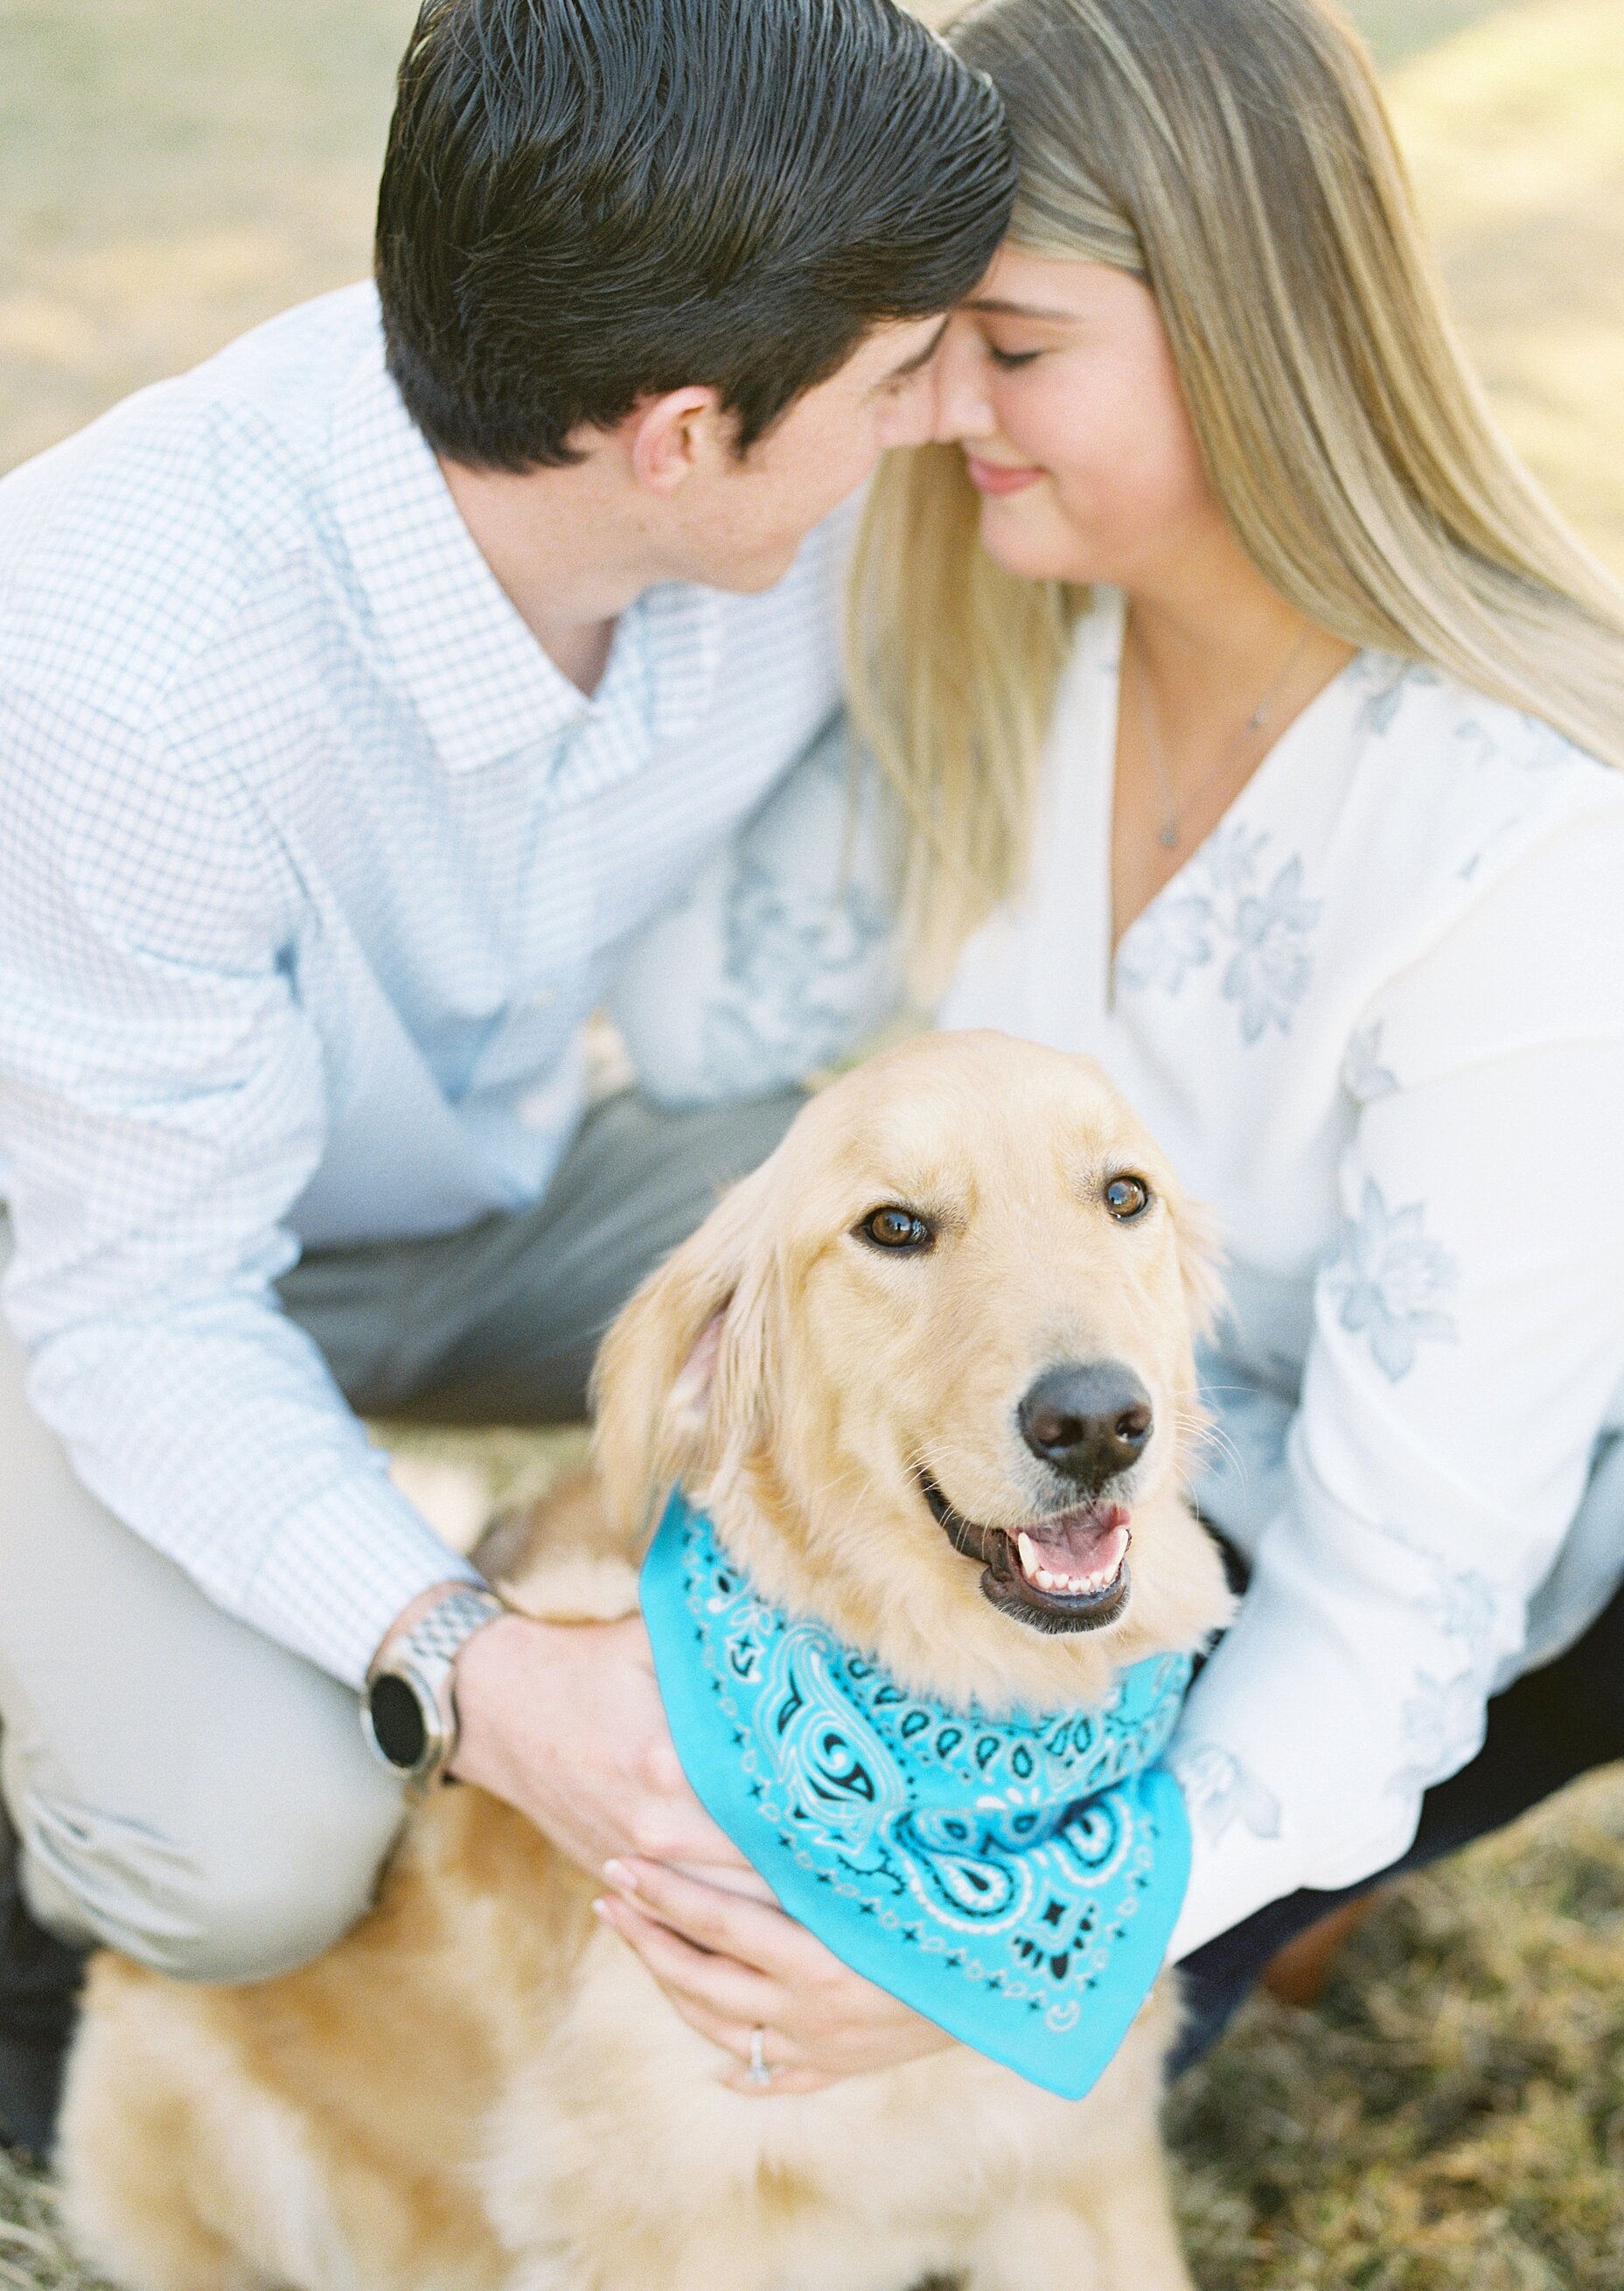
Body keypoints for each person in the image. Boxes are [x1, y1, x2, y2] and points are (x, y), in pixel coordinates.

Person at [594, 0, 1624, 2159]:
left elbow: (1411, 1584)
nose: (937, 411)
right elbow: (691, 1021)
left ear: (1240, 329)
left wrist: (991, 1928)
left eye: (1006, 348)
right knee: (872, 2099)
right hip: (1213, 1516)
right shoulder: (1018, 658)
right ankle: (1307, 1875)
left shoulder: (1520, 844)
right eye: (915, 349)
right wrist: (748, 508)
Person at [0, 0, 1015, 2157]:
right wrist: (481, 1665)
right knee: (256, 1845)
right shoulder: (117, 664)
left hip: (481, 1177)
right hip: (73, 1268)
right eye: (894, 375)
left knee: (961, 1289)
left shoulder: (765, 480)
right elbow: (137, 1306)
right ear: (675, 433)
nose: (946, 412)